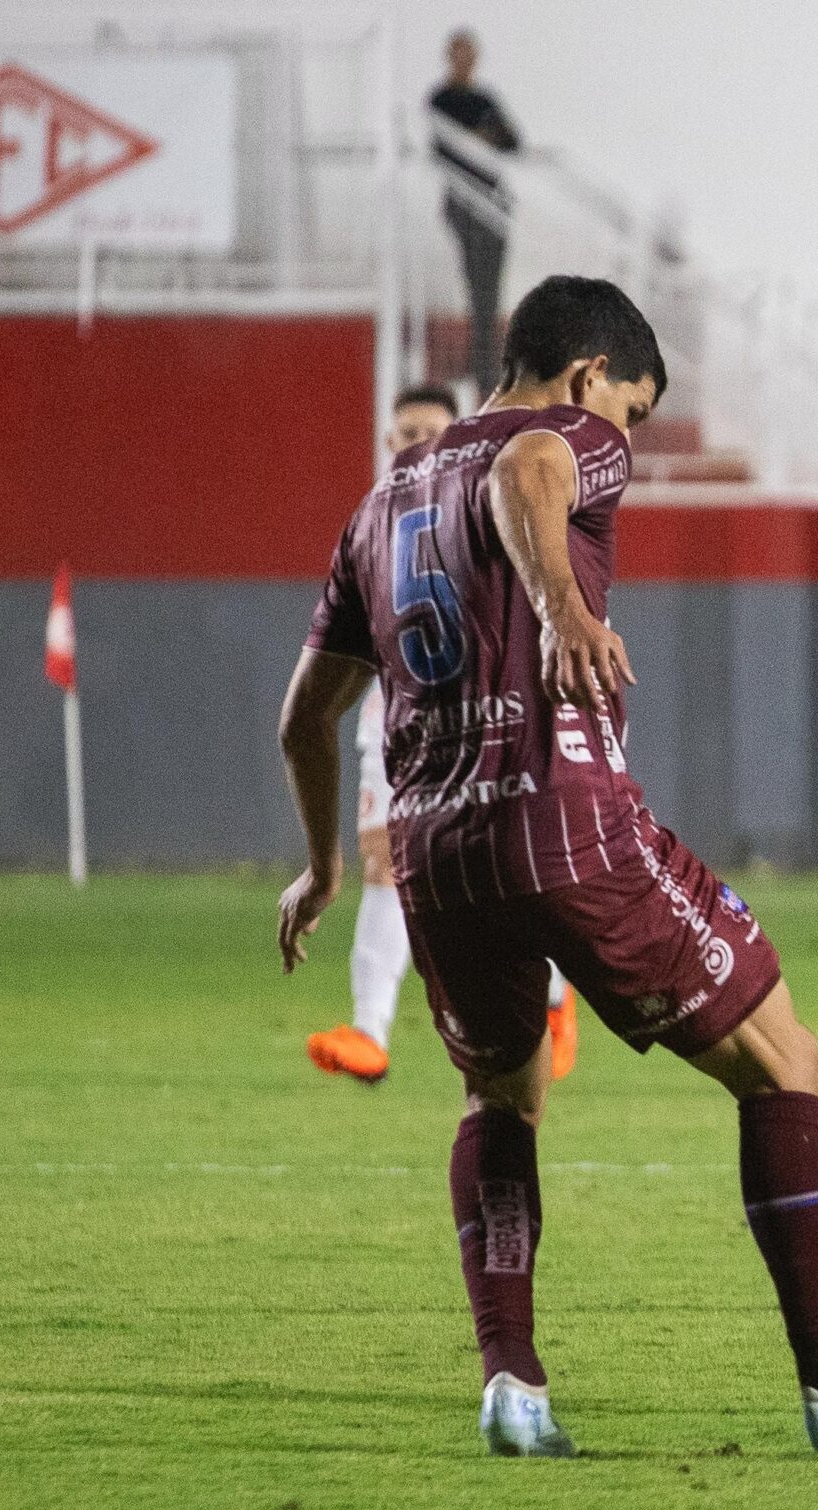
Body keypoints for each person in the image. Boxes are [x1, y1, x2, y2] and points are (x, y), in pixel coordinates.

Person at [277, 275, 818, 1456]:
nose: (626, 439)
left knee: (502, 1094)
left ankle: (513, 1383)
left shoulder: (375, 503)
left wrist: (322, 863)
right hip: (564, 817)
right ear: (592, 375)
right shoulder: (570, 431)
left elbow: (304, 714)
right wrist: (558, 607)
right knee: (782, 1056)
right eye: (634, 412)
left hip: (439, 849)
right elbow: (528, 470)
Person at [306, 383, 581, 1087]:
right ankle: (369, 1030)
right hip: (395, 717)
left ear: (457, 433)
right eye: (400, 433)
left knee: (509, 866)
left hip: (484, 715)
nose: (411, 443)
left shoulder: (486, 506)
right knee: (382, 861)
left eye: (427, 428)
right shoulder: (373, 520)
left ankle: (552, 995)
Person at [428, 29, 520, 398]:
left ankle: (490, 371)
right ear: (449, 57)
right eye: (458, 54)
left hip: (492, 203)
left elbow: (512, 141)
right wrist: (479, 136)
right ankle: (482, 372)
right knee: (475, 288)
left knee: (490, 292)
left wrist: (483, 137)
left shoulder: (485, 98)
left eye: (470, 54)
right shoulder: (440, 98)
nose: (465, 61)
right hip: (465, 203)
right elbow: (443, 148)